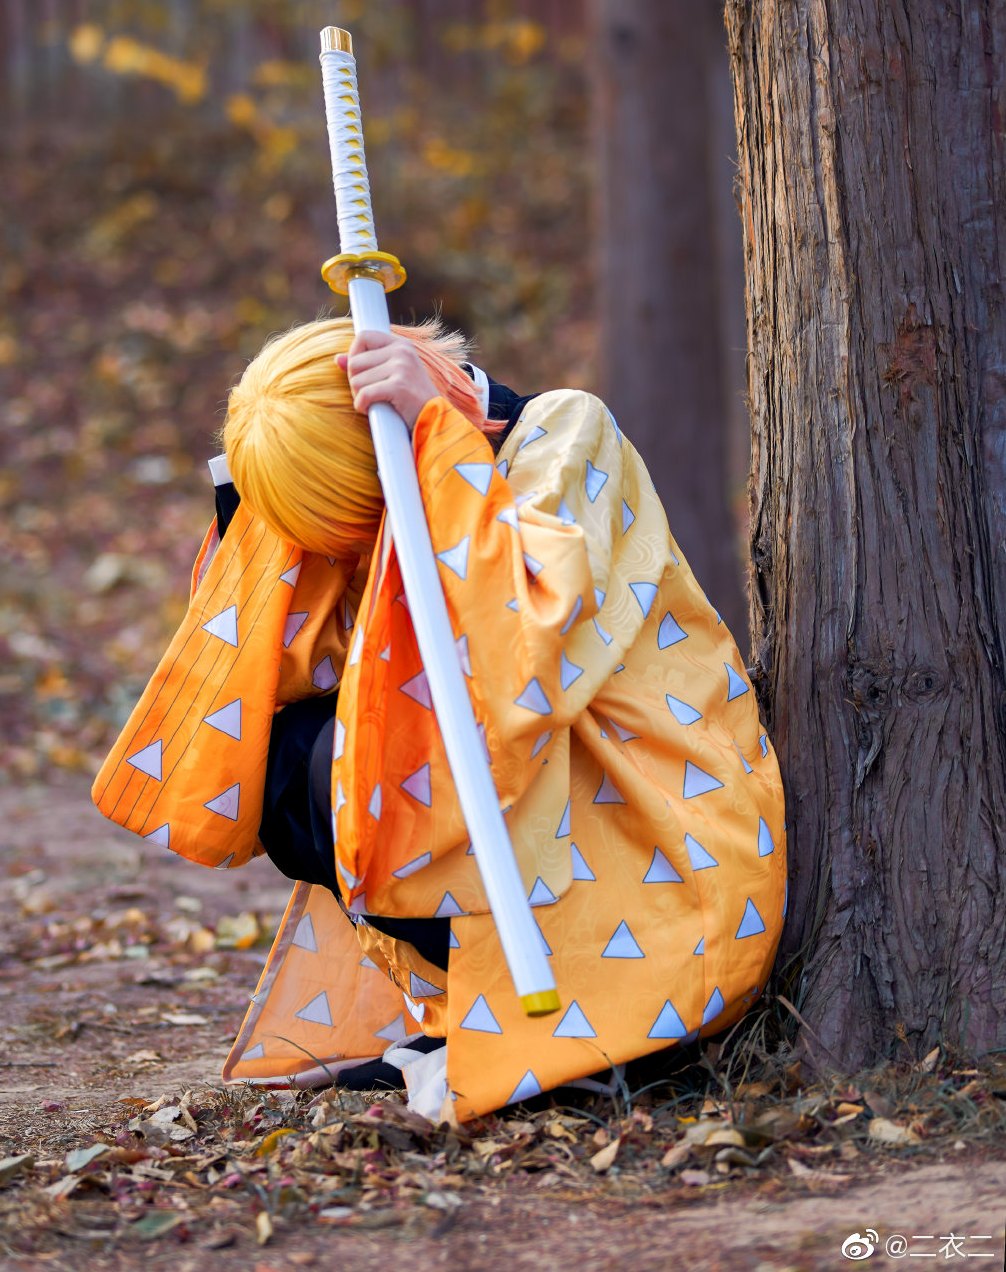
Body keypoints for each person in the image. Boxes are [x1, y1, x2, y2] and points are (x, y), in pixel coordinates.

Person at [92, 317, 786, 1121]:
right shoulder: (393, 526)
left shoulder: (565, 429)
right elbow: (288, 673)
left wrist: (434, 439)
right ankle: (482, 1015)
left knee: (376, 755)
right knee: (290, 755)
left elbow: (525, 653)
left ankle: (570, 1031)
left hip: (654, 854)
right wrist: (259, 527)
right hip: (538, 840)